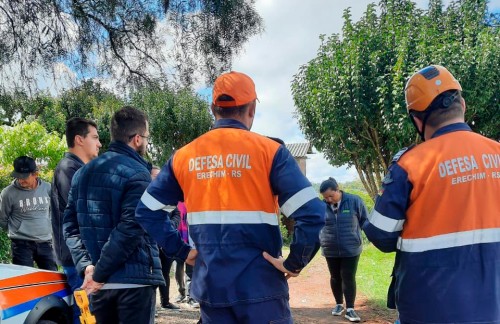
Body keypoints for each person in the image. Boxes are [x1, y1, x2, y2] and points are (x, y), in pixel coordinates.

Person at [135, 71, 325, 323]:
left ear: (214, 109)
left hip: (212, 290)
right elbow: (312, 215)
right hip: (261, 287)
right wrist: (294, 262)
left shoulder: (183, 157)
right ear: (252, 110)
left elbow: (147, 211)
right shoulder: (270, 152)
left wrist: (181, 251)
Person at [362, 65, 500, 323]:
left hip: (428, 308)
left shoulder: (409, 164)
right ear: (463, 104)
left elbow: (381, 235)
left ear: (417, 119)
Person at [63, 106, 165, 324]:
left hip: (97, 284)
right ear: (137, 139)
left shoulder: (82, 173)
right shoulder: (139, 174)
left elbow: (69, 226)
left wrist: (87, 266)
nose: (146, 142)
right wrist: (97, 273)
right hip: (133, 283)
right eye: (146, 137)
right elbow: (130, 229)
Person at [50, 117, 101, 323]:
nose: (99, 143)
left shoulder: (78, 168)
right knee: (85, 313)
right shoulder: (68, 169)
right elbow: (84, 213)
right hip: (78, 258)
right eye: (95, 137)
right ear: (79, 139)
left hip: (85, 257)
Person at [319, 177, 367, 322]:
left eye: (331, 196)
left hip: (351, 247)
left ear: (337, 189)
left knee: (348, 276)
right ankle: (339, 304)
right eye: (325, 197)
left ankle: (350, 309)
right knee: (335, 276)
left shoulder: (354, 201)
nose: (328, 200)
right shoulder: (321, 206)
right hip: (330, 248)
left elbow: (365, 220)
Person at [0, 156, 57, 270]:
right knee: (24, 281)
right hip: (21, 244)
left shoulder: (48, 188)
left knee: (52, 278)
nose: (21, 180)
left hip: (46, 242)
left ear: (35, 174)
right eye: (18, 176)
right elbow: (2, 218)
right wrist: (17, 230)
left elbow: (55, 211)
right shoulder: (8, 193)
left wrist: (48, 227)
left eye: (24, 177)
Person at [151, 166, 182, 311]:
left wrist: (170, 225)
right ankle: (151, 306)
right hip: (151, 242)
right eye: (155, 175)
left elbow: (176, 214)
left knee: (165, 272)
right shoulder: (144, 194)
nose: (158, 178)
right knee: (151, 275)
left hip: (166, 240)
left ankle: (166, 301)